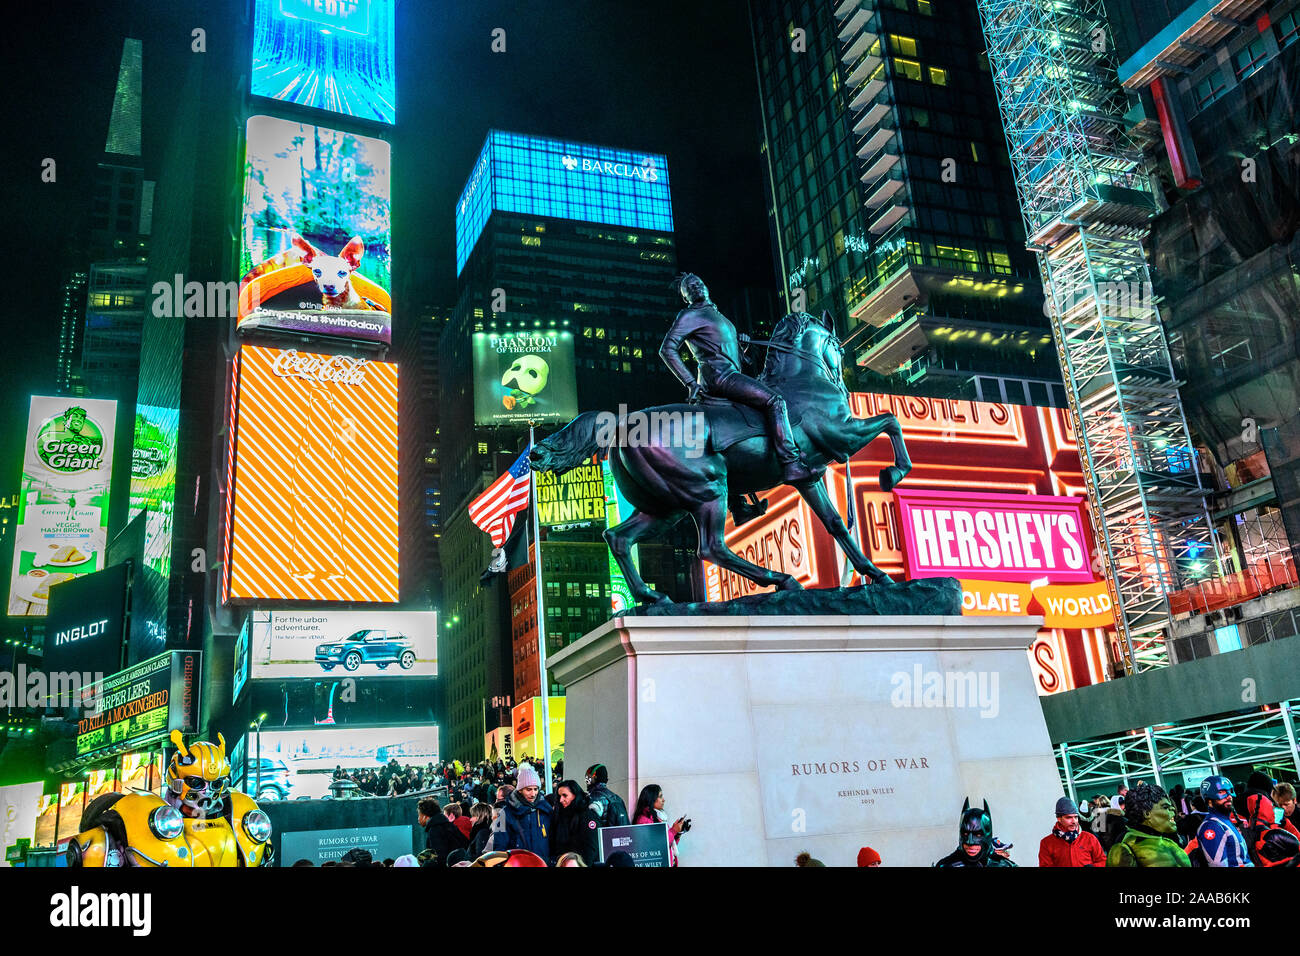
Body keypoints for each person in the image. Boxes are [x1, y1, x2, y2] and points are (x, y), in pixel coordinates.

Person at [659, 273, 813, 485]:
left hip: (727, 374)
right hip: (719, 378)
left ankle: (739, 503)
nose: (695, 287)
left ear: (706, 287)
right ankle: (791, 463)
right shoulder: (689, 315)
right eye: (689, 288)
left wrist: (743, 348)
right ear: (686, 298)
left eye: (698, 283)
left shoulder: (715, 315)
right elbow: (667, 349)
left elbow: (728, 355)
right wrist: (689, 382)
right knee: (775, 401)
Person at [1107, 783, 1190, 867]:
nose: (1173, 809)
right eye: (1165, 807)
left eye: (1170, 806)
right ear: (1147, 813)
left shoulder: (1166, 839)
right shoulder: (1124, 849)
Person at [490, 763, 553, 859]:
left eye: (536, 789)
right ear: (520, 790)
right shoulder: (503, 814)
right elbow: (499, 847)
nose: (533, 794)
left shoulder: (546, 809)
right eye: (529, 789)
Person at [934, 798, 1016, 867]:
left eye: (978, 834)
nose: (970, 841)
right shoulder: (945, 865)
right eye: (965, 834)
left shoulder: (1004, 865)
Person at [1194, 776, 1252, 867]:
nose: (1229, 797)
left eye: (1230, 792)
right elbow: (1218, 865)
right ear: (1209, 801)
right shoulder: (1212, 826)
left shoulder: (1224, 821)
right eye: (1221, 792)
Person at [1038, 797, 1105, 867]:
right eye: (1068, 817)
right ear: (1059, 819)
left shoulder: (1089, 838)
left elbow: (1102, 861)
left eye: (1076, 817)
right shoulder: (1046, 843)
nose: (1074, 821)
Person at [632, 784, 687, 867]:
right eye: (660, 796)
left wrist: (678, 833)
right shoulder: (643, 820)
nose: (663, 800)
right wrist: (673, 831)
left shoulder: (658, 817)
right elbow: (655, 846)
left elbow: (668, 845)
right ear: (651, 799)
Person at [552, 779, 601, 865]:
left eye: (565, 795)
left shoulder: (588, 816)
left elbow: (590, 849)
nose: (561, 800)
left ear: (575, 795)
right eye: (559, 796)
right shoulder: (560, 815)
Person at [418, 796, 468, 867]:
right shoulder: (449, 825)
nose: (418, 819)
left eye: (419, 815)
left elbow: (439, 858)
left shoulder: (434, 830)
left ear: (425, 816)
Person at [586, 764, 630, 828]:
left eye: (588, 776)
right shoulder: (618, 798)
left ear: (594, 777)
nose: (586, 779)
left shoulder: (591, 797)